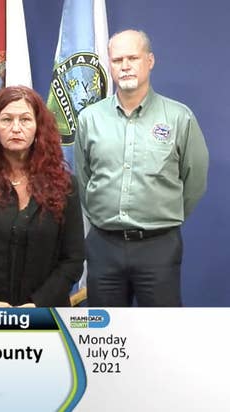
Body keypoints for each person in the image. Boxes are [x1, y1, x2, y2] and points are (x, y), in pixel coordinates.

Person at [75, 30, 209, 307]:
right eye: (117, 60)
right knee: (105, 338)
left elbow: (194, 179)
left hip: (158, 247)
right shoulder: (90, 119)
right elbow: (84, 179)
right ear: (109, 65)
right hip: (104, 246)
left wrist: (163, 214)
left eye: (132, 58)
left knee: (161, 337)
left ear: (150, 61)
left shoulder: (178, 117)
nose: (125, 66)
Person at [0, 86, 84, 307]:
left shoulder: (64, 186)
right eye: (7, 120)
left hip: (44, 316)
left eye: (25, 120)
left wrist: (38, 304)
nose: (16, 128)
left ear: (39, 127)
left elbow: (73, 260)